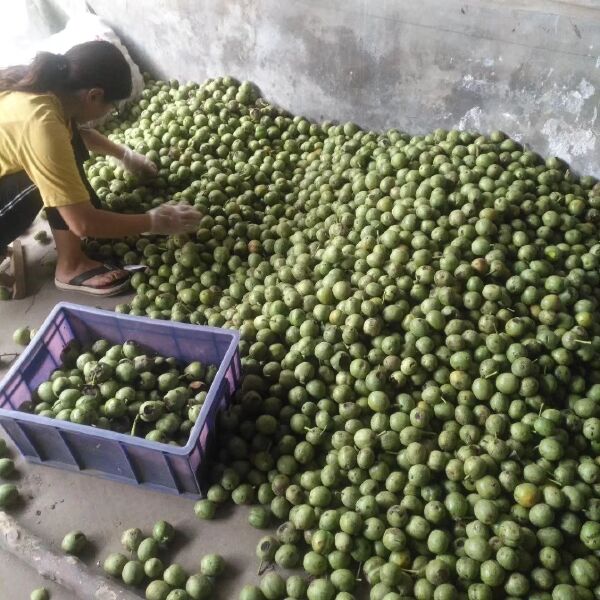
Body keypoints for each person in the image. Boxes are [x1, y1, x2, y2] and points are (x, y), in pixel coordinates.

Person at [0, 40, 201, 297]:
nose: (111, 112)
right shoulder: (40, 125)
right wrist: (154, 221)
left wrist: (125, 155)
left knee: (63, 156)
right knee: (59, 173)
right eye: (112, 107)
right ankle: (70, 267)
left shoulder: (38, 83)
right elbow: (82, 223)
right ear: (94, 96)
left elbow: (74, 134)